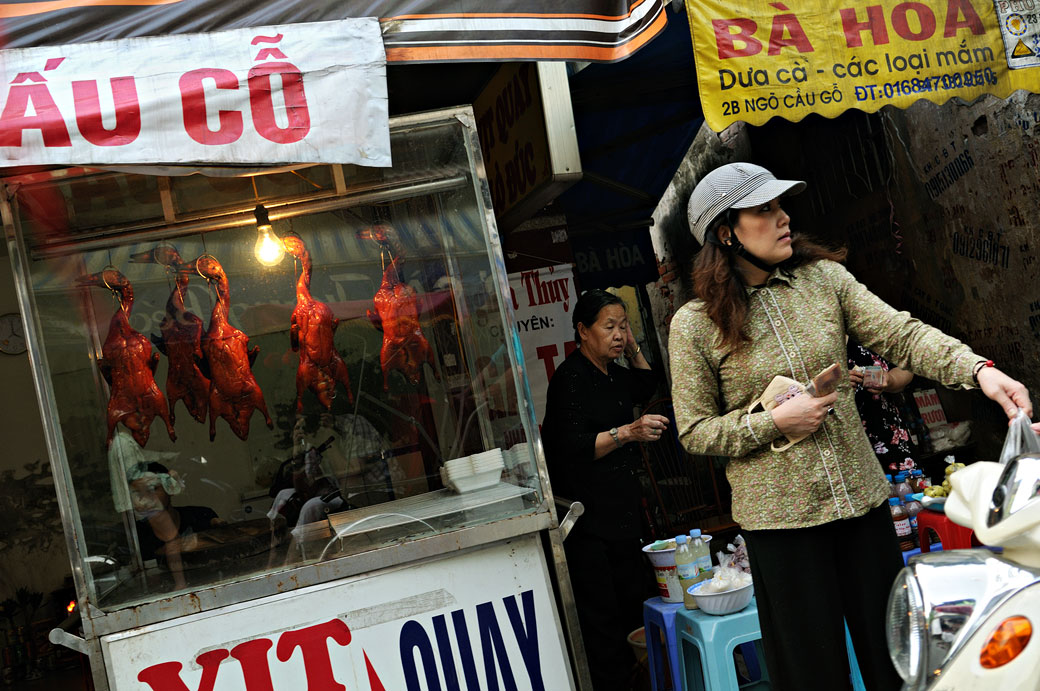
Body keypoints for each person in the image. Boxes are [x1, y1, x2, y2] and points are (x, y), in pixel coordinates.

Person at [669, 162, 1037, 690]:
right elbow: (695, 431)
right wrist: (773, 422)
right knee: (813, 675)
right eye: (764, 209)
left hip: (860, 506)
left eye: (781, 205)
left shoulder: (824, 280)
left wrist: (980, 371)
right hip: (781, 527)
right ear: (725, 233)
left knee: (899, 660)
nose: (783, 217)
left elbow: (902, 336)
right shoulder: (695, 325)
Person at [541, 288, 666, 691]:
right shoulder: (570, 379)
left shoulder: (613, 373)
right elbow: (571, 449)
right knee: (603, 619)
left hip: (623, 512)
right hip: (589, 520)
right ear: (582, 330)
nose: (618, 334)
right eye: (609, 327)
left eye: (623, 326)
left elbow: (648, 383)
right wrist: (627, 432)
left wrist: (633, 347)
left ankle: (642, 679)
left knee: (635, 605)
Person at [130, 462, 223, 589]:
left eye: (153, 489)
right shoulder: (135, 538)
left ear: (170, 489)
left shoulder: (203, 517)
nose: (147, 498)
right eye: (138, 492)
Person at [847, 340, 918, 473]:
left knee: (905, 489)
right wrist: (832, 383)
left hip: (886, 433)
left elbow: (905, 367)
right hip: (842, 440)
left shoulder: (868, 331)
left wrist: (889, 379)